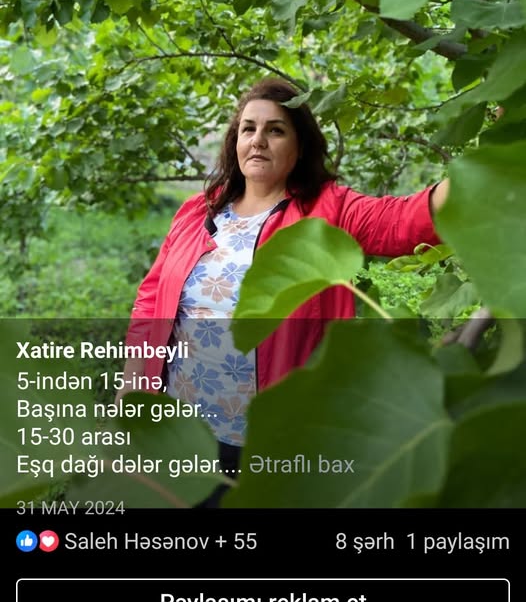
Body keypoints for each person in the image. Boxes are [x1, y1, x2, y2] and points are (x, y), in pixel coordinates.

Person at [122, 77, 449, 502]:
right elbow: (150, 304)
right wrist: (130, 393)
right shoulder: (196, 211)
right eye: (248, 128)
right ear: (235, 142)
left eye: (275, 130)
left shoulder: (329, 210)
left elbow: (408, 220)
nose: (258, 140)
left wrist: (496, 162)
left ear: (300, 147)